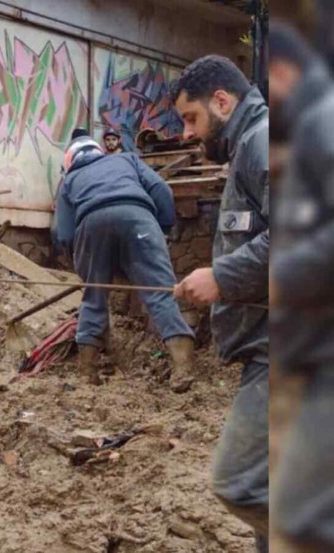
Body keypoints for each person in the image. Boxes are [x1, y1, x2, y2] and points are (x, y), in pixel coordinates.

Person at [170, 55, 269, 552]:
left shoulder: (262, 143)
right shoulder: (250, 147)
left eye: (192, 118)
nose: (186, 133)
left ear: (223, 101)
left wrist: (222, 277)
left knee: (242, 484)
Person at [53, 135, 195, 390]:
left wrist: (83, 259)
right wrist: (162, 226)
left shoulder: (69, 180)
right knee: (161, 292)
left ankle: (87, 372)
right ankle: (183, 368)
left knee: (93, 296)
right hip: (138, 217)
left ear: (70, 161)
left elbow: (63, 233)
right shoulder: (128, 159)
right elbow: (161, 190)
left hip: (92, 224)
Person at [268, 23, 334, 553]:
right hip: (311, 351)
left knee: (299, 513)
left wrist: (280, 277)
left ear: (281, 72)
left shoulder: (321, 121)